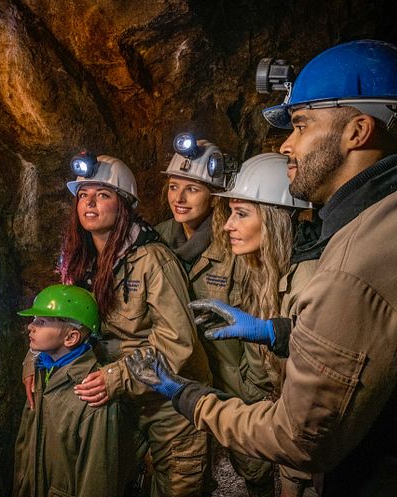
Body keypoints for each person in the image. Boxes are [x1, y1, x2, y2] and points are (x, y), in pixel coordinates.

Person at [126, 39, 397, 496]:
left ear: (358, 131)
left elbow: (297, 438)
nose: (287, 143)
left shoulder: (361, 262)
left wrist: (187, 396)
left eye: (301, 124)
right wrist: (279, 332)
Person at [36, 153, 213, 496]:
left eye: (103, 195)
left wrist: (116, 377)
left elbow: (179, 343)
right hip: (119, 404)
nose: (90, 202)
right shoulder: (80, 259)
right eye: (84, 194)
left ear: (124, 206)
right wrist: (35, 359)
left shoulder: (152, 260)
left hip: (168, 405)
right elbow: (63, 320)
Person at [155, 137, 276, 496]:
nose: (179, 197)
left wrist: (255, 388)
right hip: (183, 372)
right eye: (174, 186)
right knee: (188, 469)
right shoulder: (158, 239)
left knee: (254, 466)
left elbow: (257, 315)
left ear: (215, 194)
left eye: (192, 189)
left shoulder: (235, 243)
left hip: (233, 379)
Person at [195, 152, 317, 497]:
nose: (229, 224)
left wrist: (272, 333)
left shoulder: (308, 276)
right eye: (231, 212)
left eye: (242, 214)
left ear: (275, 219)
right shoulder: (266, 267)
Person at [13, 284, 134, 497]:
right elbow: (26, 448)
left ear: (71, 337)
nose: (30, 327)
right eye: (33, 320)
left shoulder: (91, 393)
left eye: (41, 322)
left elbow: (96, 480)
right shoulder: (42, 373)